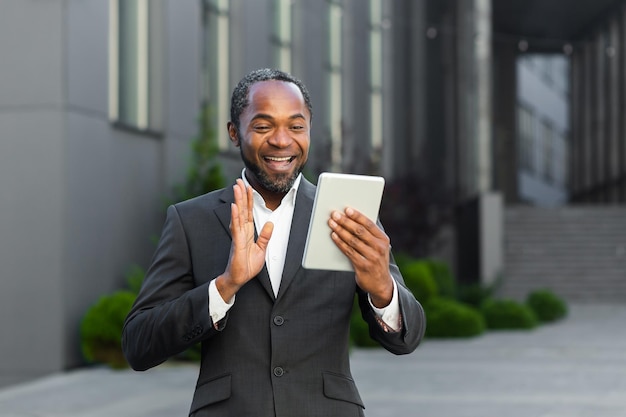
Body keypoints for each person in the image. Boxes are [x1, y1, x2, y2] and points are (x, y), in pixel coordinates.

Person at [122, 68, 426, 417]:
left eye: (296, 126)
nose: (282, 141)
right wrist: (224, 287)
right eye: (264, 126)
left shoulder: (349, 216)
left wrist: (382, 290)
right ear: (234, 133)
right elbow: (138, 344)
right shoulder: (191, 220)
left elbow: (408, 338)